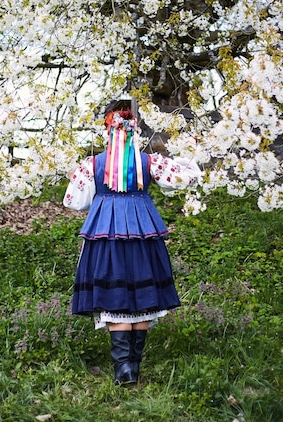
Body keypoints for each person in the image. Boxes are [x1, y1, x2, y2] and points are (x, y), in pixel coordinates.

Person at [63, 103, 201, 385]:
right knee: (140, 297)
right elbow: (184, 178)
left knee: (116, 296)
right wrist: (192, 154)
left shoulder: (92, 164)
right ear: (134, 131)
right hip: (142, 231)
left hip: (105, 234)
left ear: (107, 131)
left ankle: (123, 369)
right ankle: (132, 368)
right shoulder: (149, 162)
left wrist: (78, 180)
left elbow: (73, 202)